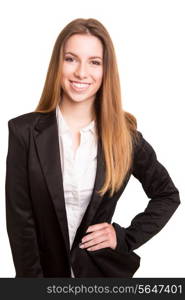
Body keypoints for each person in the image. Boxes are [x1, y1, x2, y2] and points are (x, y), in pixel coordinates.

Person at [5, 18, 180, 278]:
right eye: (71, 59)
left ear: (106, 70)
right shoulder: (24, 133)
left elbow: (167, 194)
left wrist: (124, 238)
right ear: (58, 65)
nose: (81, 73)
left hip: (101, 277)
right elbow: (21, 225)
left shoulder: (124, 136)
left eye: (94, 62)